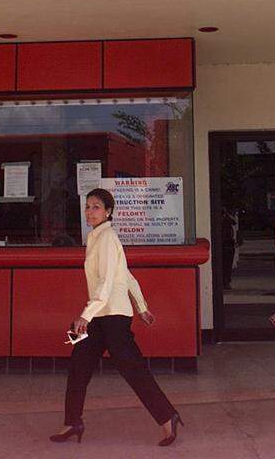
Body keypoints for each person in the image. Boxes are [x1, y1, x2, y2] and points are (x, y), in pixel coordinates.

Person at [50, 187, 184, 447]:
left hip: (112, 318)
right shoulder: (96, 238)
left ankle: (168, 417)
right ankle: (72, 422)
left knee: (132, 369)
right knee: (78, 366)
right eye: (87, 206)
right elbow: (127, 275)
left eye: (96, 207)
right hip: (99, 316)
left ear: (108, 211)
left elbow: (110, 281)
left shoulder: (108, 238)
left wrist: (85, 315)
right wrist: (142, 307)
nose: (90, 211)